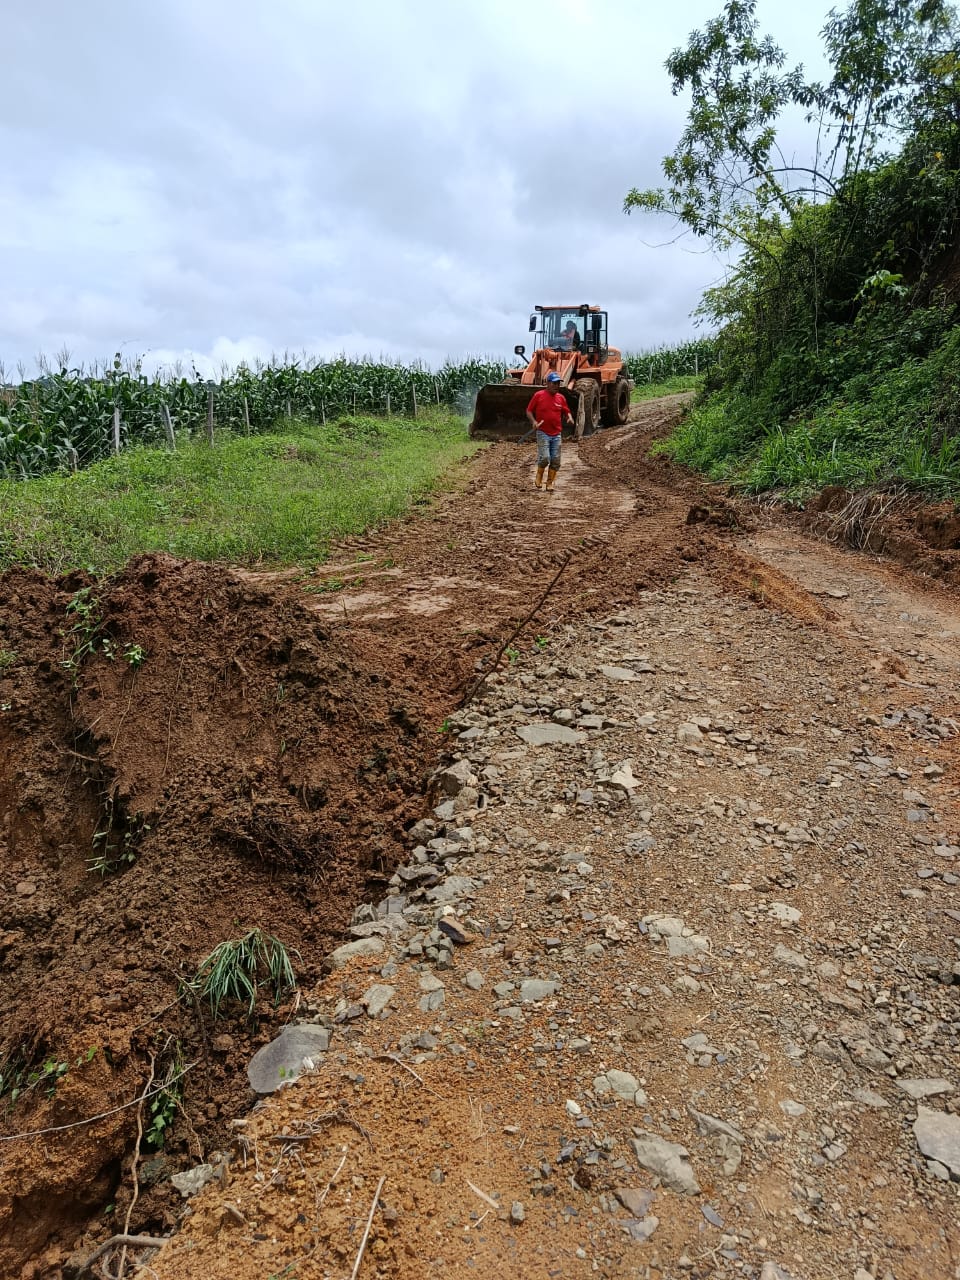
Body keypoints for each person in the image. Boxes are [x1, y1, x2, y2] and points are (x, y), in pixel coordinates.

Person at [526, 371, 573, 492]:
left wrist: (569, 417)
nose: (556, 386)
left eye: (558, 383)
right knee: (545, 458)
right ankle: (539, 476)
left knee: (556, 460)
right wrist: (534, 422)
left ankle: (550, 483)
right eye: (554, 383)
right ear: (548, 383)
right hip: (543, 432)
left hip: (556, 434)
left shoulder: (561, 398)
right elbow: (529, 411)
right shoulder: (539, 395)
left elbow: (566, 411)